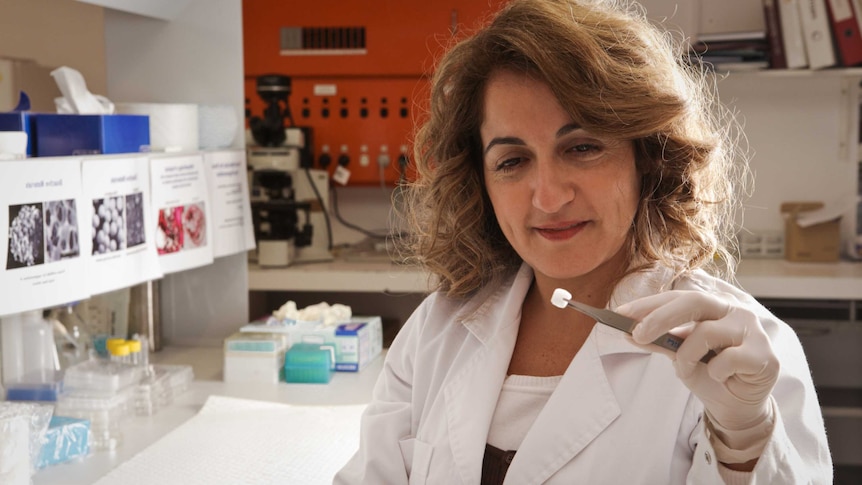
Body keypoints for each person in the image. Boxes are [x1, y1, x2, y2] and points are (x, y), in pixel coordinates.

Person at [334, 0, 833, 483]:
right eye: (512, 161)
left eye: (583, 148)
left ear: (647, 158)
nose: (549, 198)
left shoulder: (741, 353)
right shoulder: (437, 331)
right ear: (480, 182)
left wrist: (745, 441)